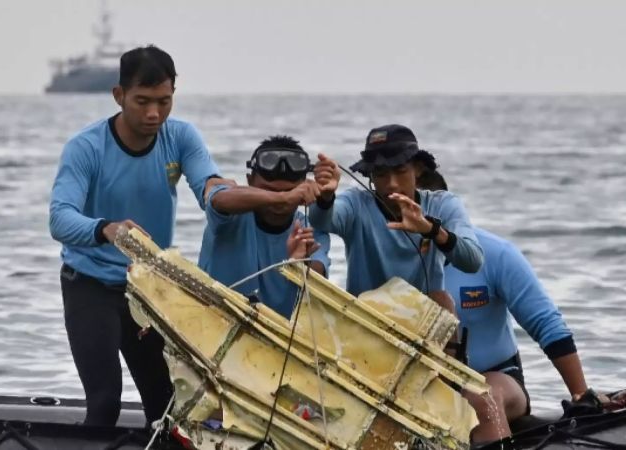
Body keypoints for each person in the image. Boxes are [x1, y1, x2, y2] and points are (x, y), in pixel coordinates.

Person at [48, 45, 230, 427]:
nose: (153, 114)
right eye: (142, 101)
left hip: (148, 291)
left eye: (164, 102)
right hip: (90, 285)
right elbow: (60, 220)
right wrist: (106, 229)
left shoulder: (180, 137)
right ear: (119, 96)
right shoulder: (86, 147)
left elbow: (208, 188)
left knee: (168, 410)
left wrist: (258, 196)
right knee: (105, 403)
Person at [416, 170, 591, 444]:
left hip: (496, 377)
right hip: (415, 382)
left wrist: (580, 394)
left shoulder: (496, 253)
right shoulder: (384, 262)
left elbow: (546, 324)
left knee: (480, 398)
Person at [309, 124, 483, 313]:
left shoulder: (443, 204)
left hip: (423, 321)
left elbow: (473, 261)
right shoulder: (356, 204)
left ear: (418, 169)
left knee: (442, 300)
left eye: (400, 171)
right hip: (366, 320)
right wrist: (325, 197)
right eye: (381, 174)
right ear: (370, 176)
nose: (392, 184)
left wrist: (431, 230)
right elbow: (323, 221)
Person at [199, 135, 331, 318]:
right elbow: (218, 199)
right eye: (268, 190)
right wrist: (285, 198)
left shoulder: (310, 229)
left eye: (289, 190)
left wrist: (299, 266)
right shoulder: (229, 215)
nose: (280, 203)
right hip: (213, 322)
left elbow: (320, 275)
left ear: (304, 187)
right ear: (249, 181)